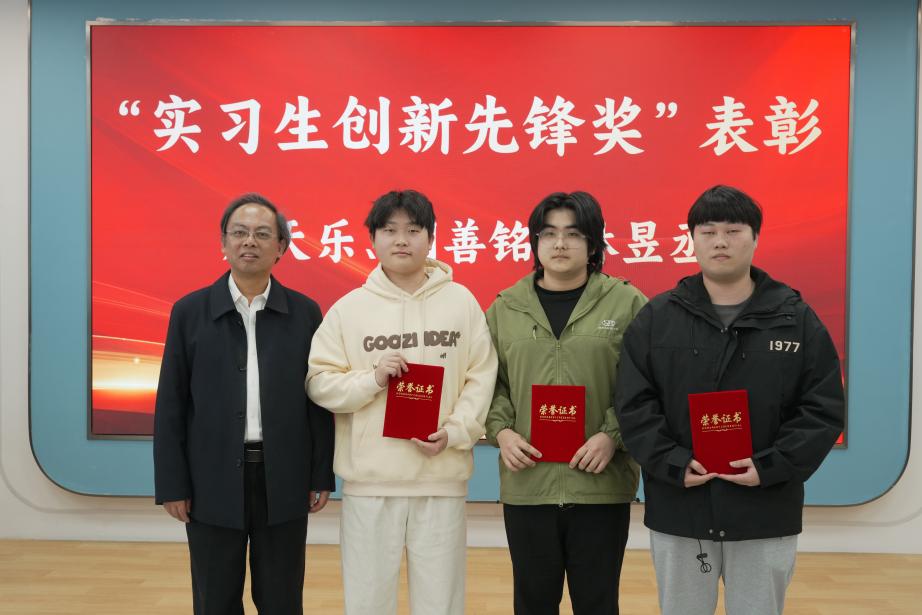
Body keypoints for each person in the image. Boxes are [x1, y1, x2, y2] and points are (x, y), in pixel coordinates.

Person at [614, 185, 845, 615]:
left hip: (765, 508)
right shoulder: (658, 317)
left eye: (733, 230)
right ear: (692, 239)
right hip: (681, 506)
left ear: (755, 238)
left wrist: (771, 466)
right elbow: (633, 404)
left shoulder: (795, 319)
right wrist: (673, 462)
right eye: (708, 231)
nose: (720, 241)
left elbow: (822, 407)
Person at [306, 189, 498, 615]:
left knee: (441, 602)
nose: (401, 240)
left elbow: (481, 376)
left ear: (430, 238)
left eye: (413, 230)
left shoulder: (462, 303)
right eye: (389, 230)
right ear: (373, 239)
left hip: (441, 479)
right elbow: (319, 384)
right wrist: (372, 379)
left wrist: (454, 432)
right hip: (370, 484)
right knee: (367, 601)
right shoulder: (348, 310)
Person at [154, 193, 335, 615]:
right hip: (211, 480)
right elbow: (171, 405)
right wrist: (173, 484)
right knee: (214, 599)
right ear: (224, 242)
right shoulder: (190, 312)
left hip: (283, 478)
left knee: (282, 598)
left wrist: (320, 473)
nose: (249, 241)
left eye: (262, 234)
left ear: (281, 247)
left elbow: (318, 401)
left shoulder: (305, 313)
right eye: (239, 232)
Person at [484, 191, 647, 615]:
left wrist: (612, 435)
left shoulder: (627, 303)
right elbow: (487, 382)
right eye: (549, 233)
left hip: (600, 484)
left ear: (593, 244)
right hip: (528, 484)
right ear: (534, 242)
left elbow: (645, 384)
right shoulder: (505, 308)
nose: (560, 244)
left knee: (598, 603)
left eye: (573, 234)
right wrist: (502, 432)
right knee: (533, 603)